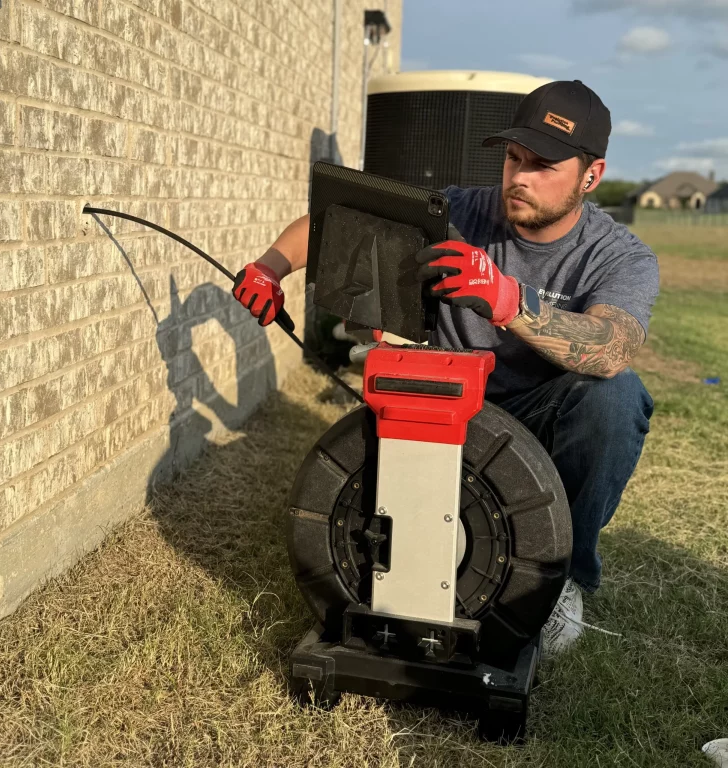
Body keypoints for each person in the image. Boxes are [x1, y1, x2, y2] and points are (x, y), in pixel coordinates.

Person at [231, 80, 658, 656]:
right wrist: (268, 268)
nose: (520, 178)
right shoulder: (457, 212)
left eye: (544, 165)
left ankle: (562, 576)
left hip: (539, 419)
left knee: (616, 398)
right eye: (513, 158)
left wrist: (508, 302)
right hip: (449, 405)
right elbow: (335, 220)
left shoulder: (618, 256)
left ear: (591, 174)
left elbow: (612, 346)